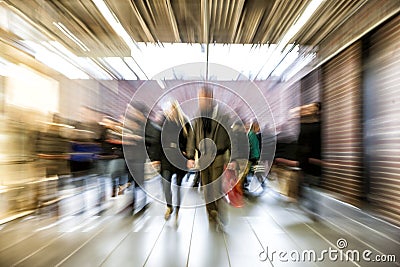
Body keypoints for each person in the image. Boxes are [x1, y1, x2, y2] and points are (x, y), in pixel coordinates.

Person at [186, 86, 236, 231]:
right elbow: (192, 137)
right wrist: (190, 156)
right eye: (199, 99)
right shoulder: (198, 117)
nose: (200, 102)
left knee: (216, 188)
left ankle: (219, 211)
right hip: (203, 158)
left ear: (211, 99)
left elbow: (232, 138)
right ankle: (211, 213)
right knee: (207, 190)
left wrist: (233, 157)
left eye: (203, 99)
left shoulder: (223, 116)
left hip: (218, 157)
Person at [156, 100, 191, 221]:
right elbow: (158, 140)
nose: (170, 112)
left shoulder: (184, 122)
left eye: (172, 109)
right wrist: (156, 158)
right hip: (166, 158)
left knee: (178, 186)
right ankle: (169, 206)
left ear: (176, 109)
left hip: (180, 159)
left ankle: (177, 208)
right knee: (166, 184)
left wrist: (189, 155)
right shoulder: (163, 122)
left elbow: (190, 141)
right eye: (168, 110)